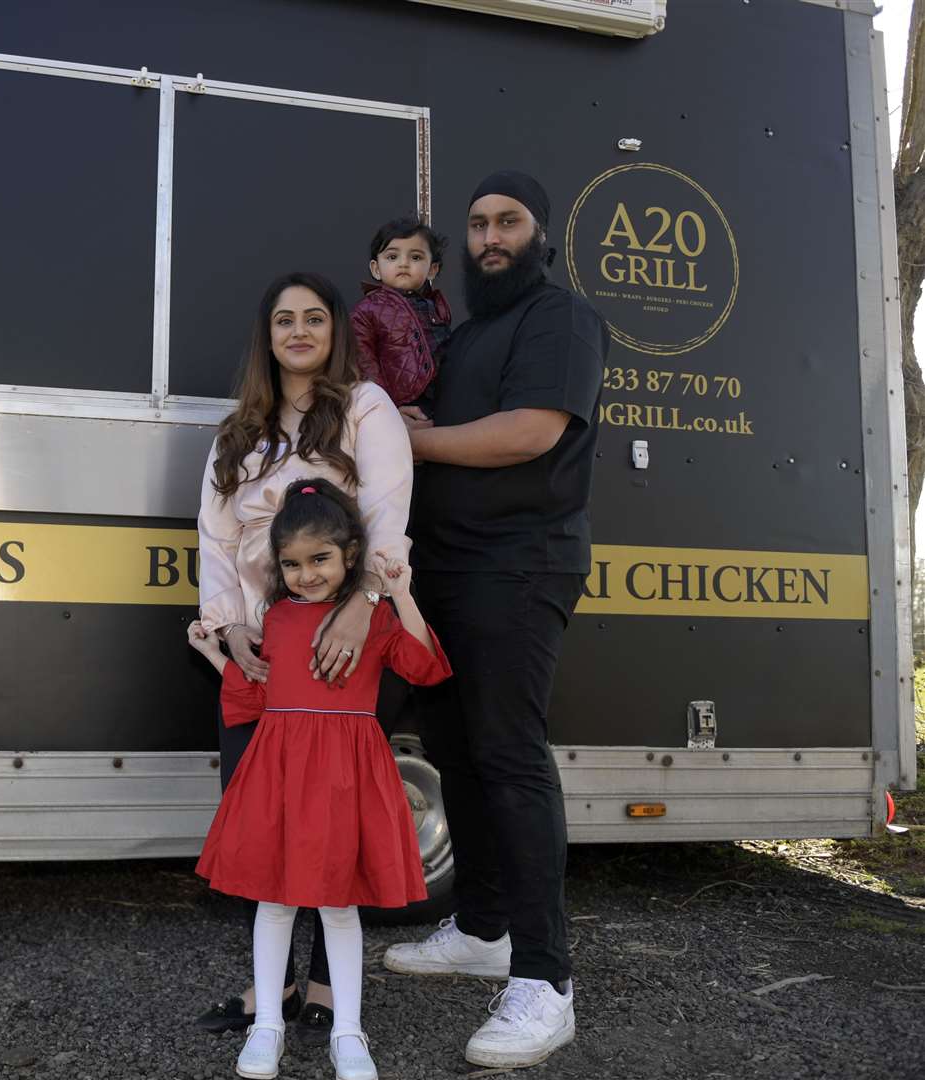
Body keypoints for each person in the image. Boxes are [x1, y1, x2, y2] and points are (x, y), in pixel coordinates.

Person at [383, 170, 606, 1070]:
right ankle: (482, 930)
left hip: (520, 562)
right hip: (443, 570)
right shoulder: (466, 332)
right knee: (460, 753)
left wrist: (417, 439)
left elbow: (531, 432)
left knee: (510, 755)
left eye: (507, 222)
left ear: (540, 233)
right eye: (475, 225)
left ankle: (546, 982)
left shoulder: (560, 320)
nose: (488, 238)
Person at [194, 271, 414, 1049]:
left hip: (345, 647)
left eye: (314, 318)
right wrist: (228, 632)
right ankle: (277, 989)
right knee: (268, 824)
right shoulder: (239, 431)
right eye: (283, 320)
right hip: (259, 652)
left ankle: (326, 990)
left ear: (335, 331)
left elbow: (387, 519)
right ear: (268, 336)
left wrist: (362, 608)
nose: (298, 331)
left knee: (334, 820)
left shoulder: (365, 408)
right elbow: (216, 542)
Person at [189, 478, 452, 1080]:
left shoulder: (374, 619)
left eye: (320, 560)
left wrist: (400, 594)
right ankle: (267, 1028)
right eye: (292, 564)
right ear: (278, 567)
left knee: (339, 906)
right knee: (274, 901)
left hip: (344, 775)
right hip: (279, 773)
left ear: (351, 555)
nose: (306, 574)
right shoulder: (276, 617)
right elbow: (258, 691)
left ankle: (349, 1032)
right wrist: (212, 654)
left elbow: (426, 665)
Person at [350, 215, 453, 410]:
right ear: (376, 269)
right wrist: (385, 406)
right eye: (392, 257)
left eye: (415, 257)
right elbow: (363, 362)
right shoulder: (368, 309)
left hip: (443, 399)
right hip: (399, 401)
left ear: (432, 270)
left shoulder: (435, 305)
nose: (403, 263)